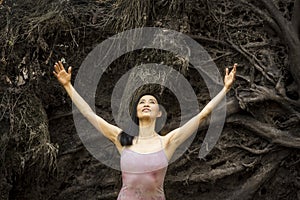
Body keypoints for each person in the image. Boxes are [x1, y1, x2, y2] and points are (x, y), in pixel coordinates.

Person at [53, 61, 237, 200]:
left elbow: (203, 115)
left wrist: (225, 88)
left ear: (159, 113)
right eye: (142, 102)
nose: (146, 104)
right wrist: (67, 86)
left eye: (152, 102)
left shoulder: (167, 141)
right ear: (137, 111)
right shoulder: (123, 139)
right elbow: (88, 114)